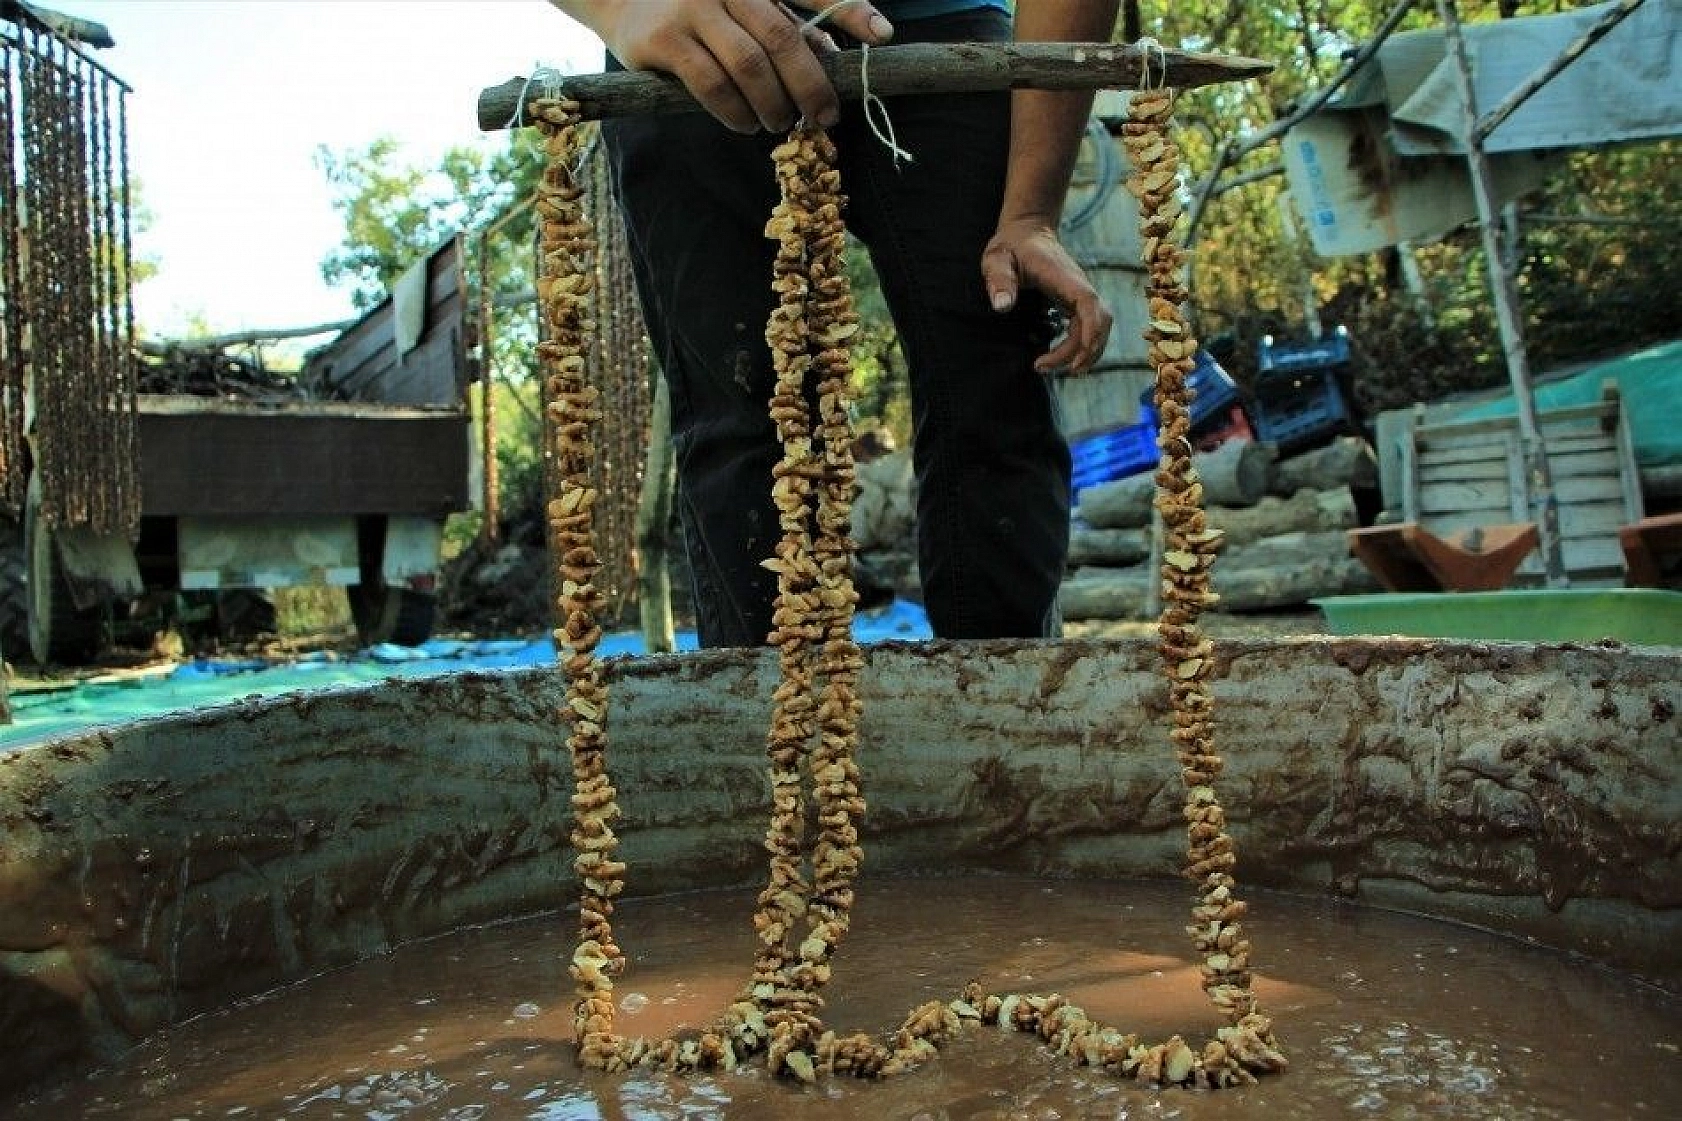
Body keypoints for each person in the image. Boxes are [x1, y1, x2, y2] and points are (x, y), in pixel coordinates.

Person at [548, 0, 1119, 646]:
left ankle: (1007, 722)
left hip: (944, 25)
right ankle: (771, 729)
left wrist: (1030, 213)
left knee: (994, 385)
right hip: (699, 29)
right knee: (742, 409)